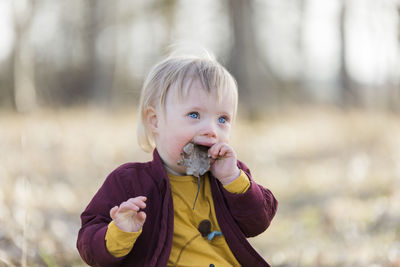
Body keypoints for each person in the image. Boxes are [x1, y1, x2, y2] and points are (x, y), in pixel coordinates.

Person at [77, 52, 278, 267]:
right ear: (155, 121)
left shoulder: (230, 176)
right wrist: (121, 232)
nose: (211, 130)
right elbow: (89, 245)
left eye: (222, 119)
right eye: (194, 115)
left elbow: (258, 222)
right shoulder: (129, 182)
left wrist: (234, 179)